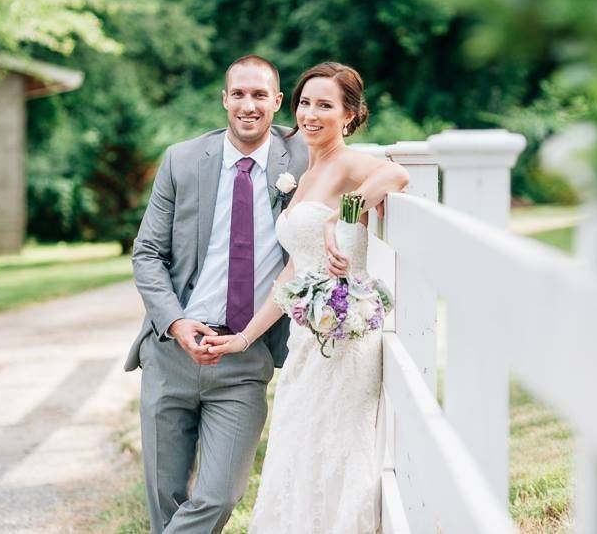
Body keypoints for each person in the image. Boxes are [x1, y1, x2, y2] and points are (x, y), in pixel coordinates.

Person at [203, 61, 410, 533]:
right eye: (304, 103)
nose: (310, 115)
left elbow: (395, 177)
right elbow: (293, 273)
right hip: (306, 339)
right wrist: (244, 338)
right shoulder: (306, 171)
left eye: (325, 105)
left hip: (344, 338)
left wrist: (345, 215)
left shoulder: (348, 163)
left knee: (336, 452)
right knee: (298, 452)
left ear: (350, 115)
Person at [124, 55, 308, 533]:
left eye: (260, 95)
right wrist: (178, 323)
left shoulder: (303, 157)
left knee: (218, 496)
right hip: (171, 354)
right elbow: (146, 254)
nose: (249, 105)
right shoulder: (182, 160)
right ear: (225, 99)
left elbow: (356, 160)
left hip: (244, 358)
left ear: (278, 102)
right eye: (239, 94)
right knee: (165, 498)